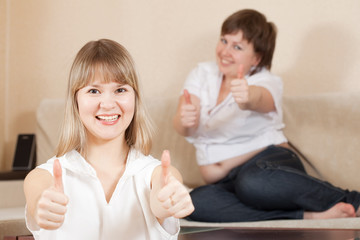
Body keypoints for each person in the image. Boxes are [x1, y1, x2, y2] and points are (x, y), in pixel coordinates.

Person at [173, 9, 360, 222]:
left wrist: (247, 97)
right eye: (224, 41)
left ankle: (353, 201)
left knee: (253, 183)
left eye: (237, 47)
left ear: (257, 58)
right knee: (195, 203)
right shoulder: (202, 73)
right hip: (226, 181)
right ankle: (306, 216)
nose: (225, 51)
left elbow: (261, 99)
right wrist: (185, 120)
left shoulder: (266, 80)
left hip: (268, 164)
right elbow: (182, 123)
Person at [24, 39, 194, 239]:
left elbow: (162, 194)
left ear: (135, 98)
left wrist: (168, 201)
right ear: (76, 100)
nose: (107, 104)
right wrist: (42, 206)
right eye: (93, 91)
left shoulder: (158, 175)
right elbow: (38, 196)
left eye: (120, 90)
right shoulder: (42, 178)